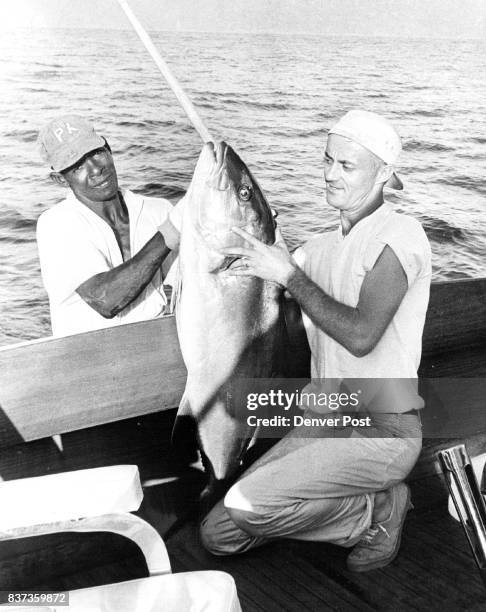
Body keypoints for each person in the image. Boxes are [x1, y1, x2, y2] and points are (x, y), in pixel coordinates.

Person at [198, 110, 432, 572]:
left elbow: (362, 334)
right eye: (327, 160)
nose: (329, 174)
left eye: (347, 166)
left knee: (248, 507)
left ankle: (376, 512)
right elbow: (257, 267)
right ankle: (361, 504)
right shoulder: (316, 250)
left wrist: (287, 272)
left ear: (384, 174)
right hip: (323, 419)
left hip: (385, 429)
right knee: (217, 535)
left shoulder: (401, 236)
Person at [36, 115, 178, 337]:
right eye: (77, 165)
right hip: (92, 358)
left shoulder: (159, 210)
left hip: (156, 342)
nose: (95, 169)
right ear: (60, 179)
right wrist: (169, 233)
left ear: (108, 150)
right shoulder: (56, 224)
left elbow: (191, 282)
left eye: (96, 153)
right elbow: (106, 300)